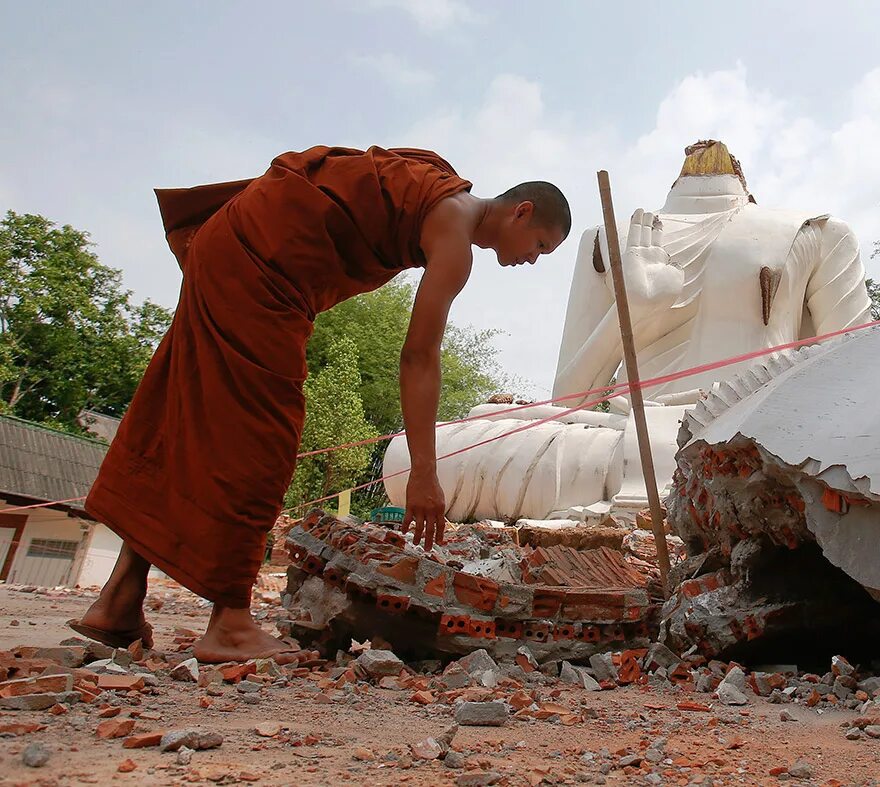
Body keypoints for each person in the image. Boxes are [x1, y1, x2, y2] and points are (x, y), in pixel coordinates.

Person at [69, 145, 570, 662]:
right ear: (521, 211)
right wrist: (424, 472)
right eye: (539, 246)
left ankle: (118, 601)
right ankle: (231, 623)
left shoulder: (439, 187)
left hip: (230, 240)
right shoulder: (454, 237)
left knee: (188, 420)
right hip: (260, 269)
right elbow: (418, 358)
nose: (532, 259)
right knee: (263, 437)